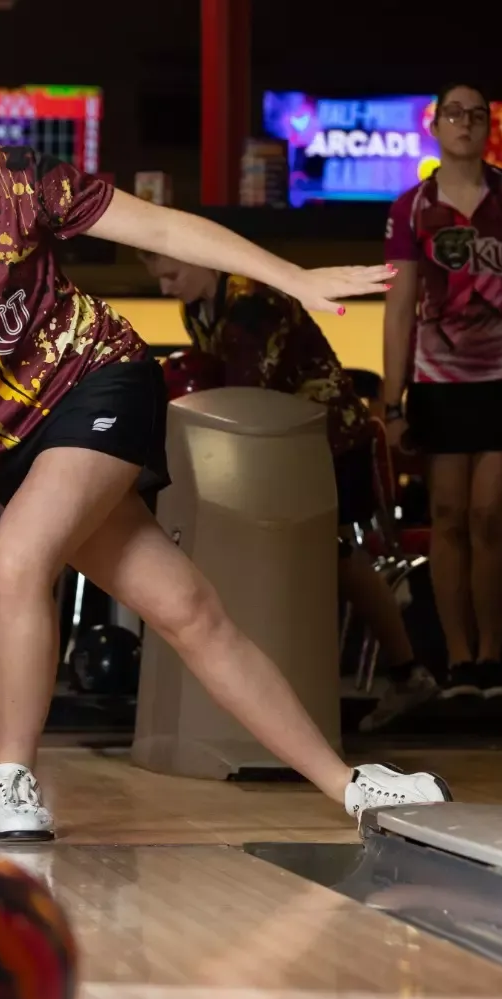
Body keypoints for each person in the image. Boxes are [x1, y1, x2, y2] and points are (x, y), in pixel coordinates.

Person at [0, 26, 451, 839]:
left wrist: (291, 275)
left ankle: (12, 778)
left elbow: (165, 230)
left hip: (98, 384)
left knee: (16, 556)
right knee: (187, 608)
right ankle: (352, 783)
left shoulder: (18, 186)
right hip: (9, 448)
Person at [138, 250, 441, 731]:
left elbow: (245, 391)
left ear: (203, 260)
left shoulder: (253, 301)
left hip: (327, 439)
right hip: (274, 443)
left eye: (172, 274)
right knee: (326, 557)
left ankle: (402, 671)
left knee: (338, 554)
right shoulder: (199, 309)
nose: (165, 287)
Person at [378, 82, 502, 701]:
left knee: (491, 516)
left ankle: (495, 659)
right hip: (439, 381)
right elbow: (400, 304)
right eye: (452, 113)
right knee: (447, 516)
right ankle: (459, 662)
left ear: (488, 128)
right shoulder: (412, 206)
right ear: (435, 127)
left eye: (476, 114)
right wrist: (390, 401)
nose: (464, 122)